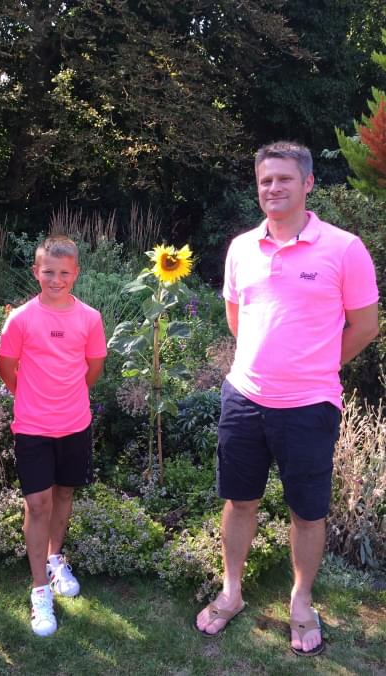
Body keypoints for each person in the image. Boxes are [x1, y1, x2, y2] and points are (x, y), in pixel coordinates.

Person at [195, 141, 379, 656]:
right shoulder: (239, 248)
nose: (273, 188)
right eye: (265, 180)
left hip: (309, 405)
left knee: (307, 512)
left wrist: (315, 365)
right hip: (244, 398)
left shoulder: (344, 249)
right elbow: (237, 318)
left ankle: (300, 600)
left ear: (308, 184)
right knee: (240, 500)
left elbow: (365, 326)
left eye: (283, 179)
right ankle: (231, 591)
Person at [0, 236, 106, 637]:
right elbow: (6, 369)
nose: (56, 279)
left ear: (76, 273)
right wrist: (31, 395)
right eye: (48, 272)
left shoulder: (90, 318)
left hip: (75, 424)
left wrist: (70, 396)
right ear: (36, 272)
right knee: (38, 503)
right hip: (32, 426)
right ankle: (39, 589)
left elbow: (93, 369)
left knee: (64, 494)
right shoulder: (22, 319)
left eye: (64, 272)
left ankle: (55, 558)